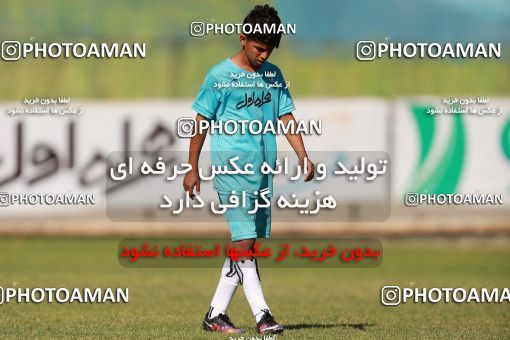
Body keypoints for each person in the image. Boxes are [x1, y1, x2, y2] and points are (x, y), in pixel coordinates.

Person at [183, 4, 314, 335]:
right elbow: (200, 123)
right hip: (231, 168)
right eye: (258, 47)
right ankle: (263, 316)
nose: (263, 54)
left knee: (245, 244)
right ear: (243, 39)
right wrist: (192, 167)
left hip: (262, 172)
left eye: (268, 49)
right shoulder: (219, 76)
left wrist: (303, 156)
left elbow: (286, 117)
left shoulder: (273, 75)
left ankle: (215, 314)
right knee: (245, 243)